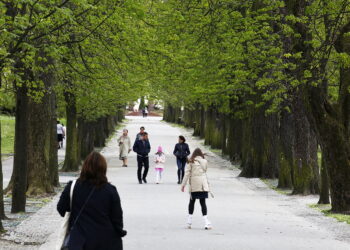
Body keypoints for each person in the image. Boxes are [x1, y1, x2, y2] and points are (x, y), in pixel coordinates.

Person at [57, 152, 127, 250]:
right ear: (103, 169)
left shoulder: (72, 187)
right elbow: (117, 217)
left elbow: (61, 209)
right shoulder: (110, 190)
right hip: (105, 240)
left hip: (79, 241)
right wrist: (120, 232)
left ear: (84, 167)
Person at [181, 148, 212, 230]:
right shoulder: (204, 161)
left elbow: (187, 174)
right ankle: (206, 223)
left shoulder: (191, 161)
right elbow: (205, 170)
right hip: (202, 184)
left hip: (194, 184)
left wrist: (183, 185)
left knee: (192, 202)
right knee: (203, 203)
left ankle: (189, 222)